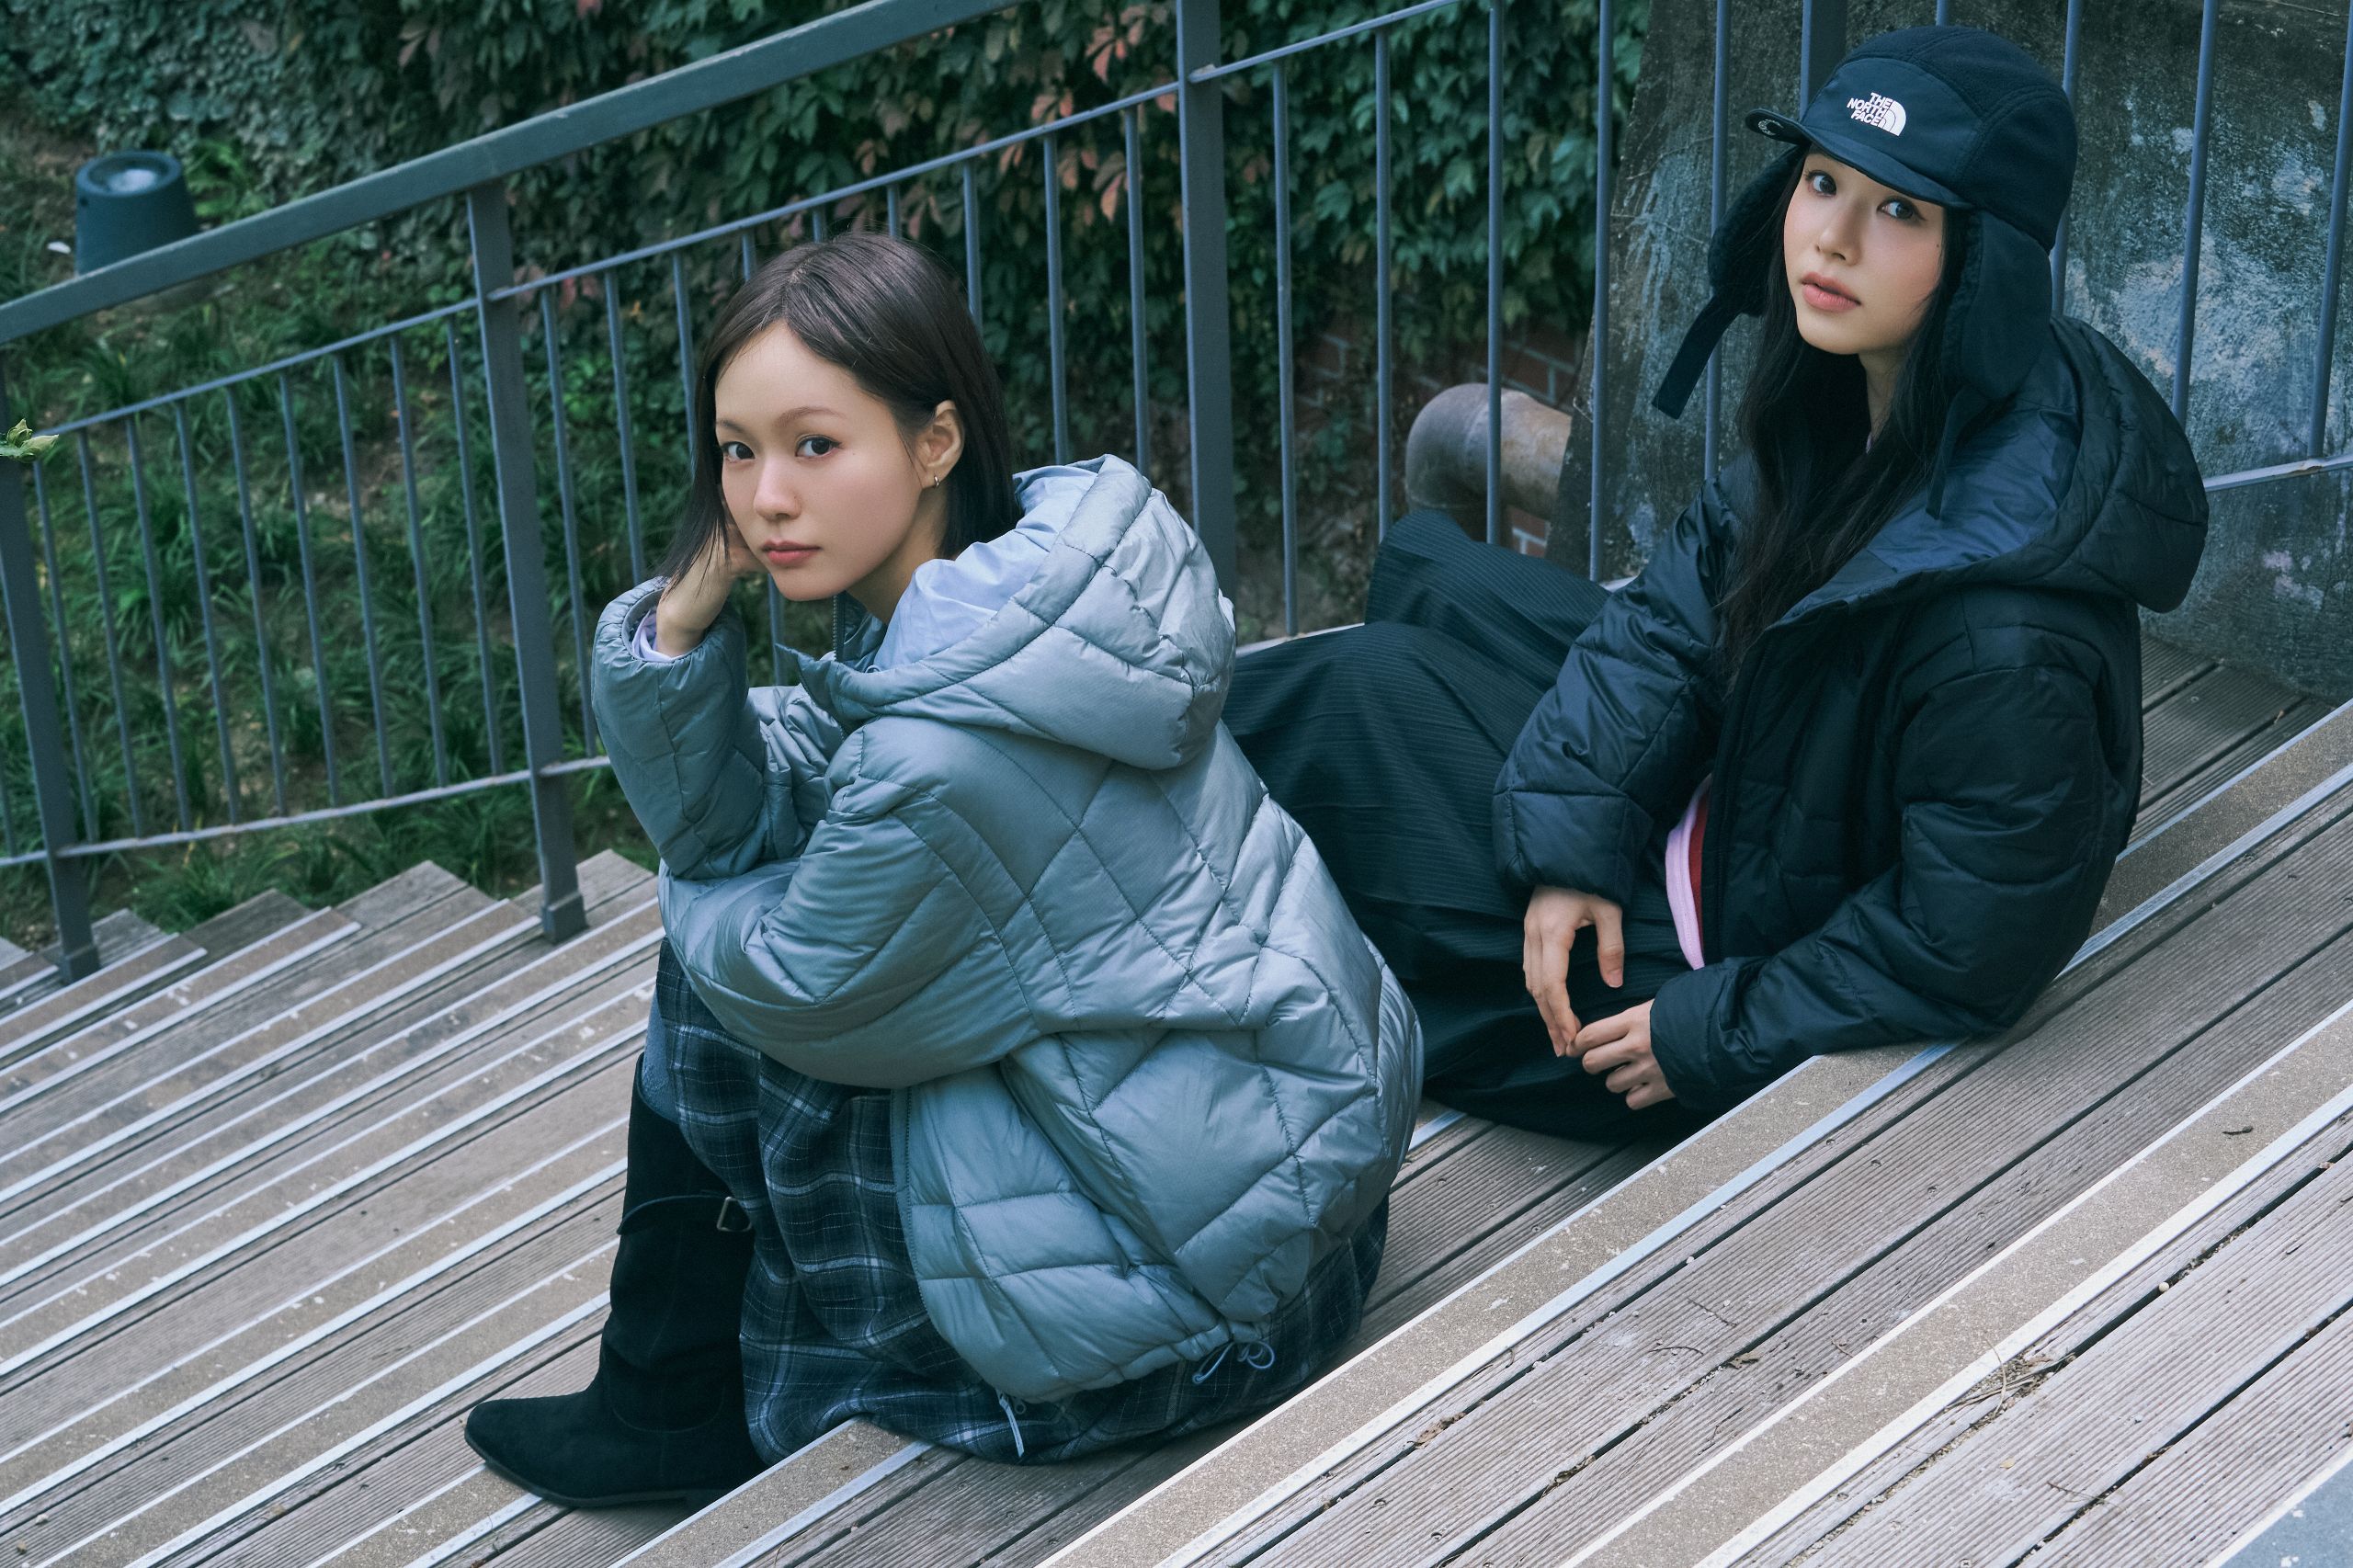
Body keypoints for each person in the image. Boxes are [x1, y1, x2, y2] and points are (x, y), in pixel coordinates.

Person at [463, 233, 1419, 1505]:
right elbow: (802, 784)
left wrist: (694, 893)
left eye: (815, 445)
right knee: (759, 914)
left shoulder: (942, 744)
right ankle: (664, 1384)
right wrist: (674, 635)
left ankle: (663, 1399)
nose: (762, 498)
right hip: (1299, 1214)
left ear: (935, 442)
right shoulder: (1032, 599)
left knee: (723, 989)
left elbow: (795, 980)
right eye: (736, 450)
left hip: (1192, 1318)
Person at [1224, 25, 2207, 1140]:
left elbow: (1963, 942)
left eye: (1898, 210)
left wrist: (1712, 1030)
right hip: (1752, 792)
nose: (1831, 237)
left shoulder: (2007, 635)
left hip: (1736, 973)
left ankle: (1109, 851)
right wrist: (1574, 841)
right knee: (1428, 569)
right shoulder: (1875, 388)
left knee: (1360, 693)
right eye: (1822, 181)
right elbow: (1677, 610)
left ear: (1983, 264)